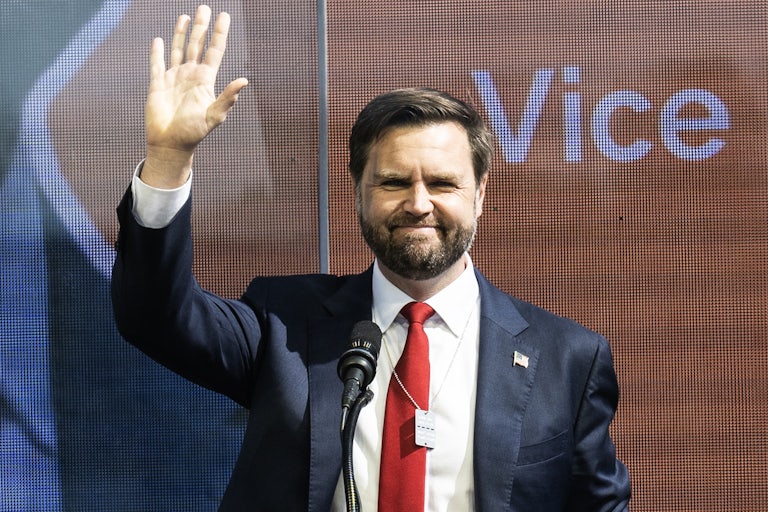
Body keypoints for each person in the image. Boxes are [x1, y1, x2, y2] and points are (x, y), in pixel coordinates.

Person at [111, 5, 631, 511]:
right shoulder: (286, 324)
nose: (419, 203)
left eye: (444, 183)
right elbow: (155, 316)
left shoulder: (566, 360)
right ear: (358, 192)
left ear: (479, 194)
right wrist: (169, 158)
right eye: (394, 182)